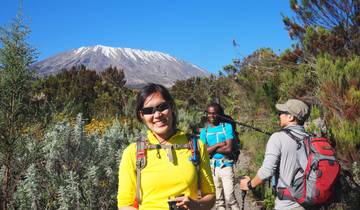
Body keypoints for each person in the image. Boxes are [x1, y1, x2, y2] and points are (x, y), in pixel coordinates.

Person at [117, 83, 215, 210]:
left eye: (162, 107)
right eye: (148, 110)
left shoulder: (196, 146)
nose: (157, 115)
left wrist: (196, 205)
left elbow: (210, 195)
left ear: (171, 107)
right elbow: (125, 204)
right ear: (142, 115)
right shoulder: (132, 153)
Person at [239, 99, 311, 210]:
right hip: (310, 201)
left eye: (281, 113)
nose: (279, 115)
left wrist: (249, 185)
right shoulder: (311, 138)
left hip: (288, 204)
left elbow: (267, 171)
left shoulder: (277, 137)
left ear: (291, 117)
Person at [200, 103, 240, 210]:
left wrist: (210, 149)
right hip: (212, 168)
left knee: (230, 197)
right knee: (218, 201)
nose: (211, 116)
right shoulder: (204, 131)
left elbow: (229, 149)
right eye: (209, 113)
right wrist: (218, 144)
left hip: (226, 165)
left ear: (220, 114)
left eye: (214, 113)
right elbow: (203, 151)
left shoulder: (227, 127)